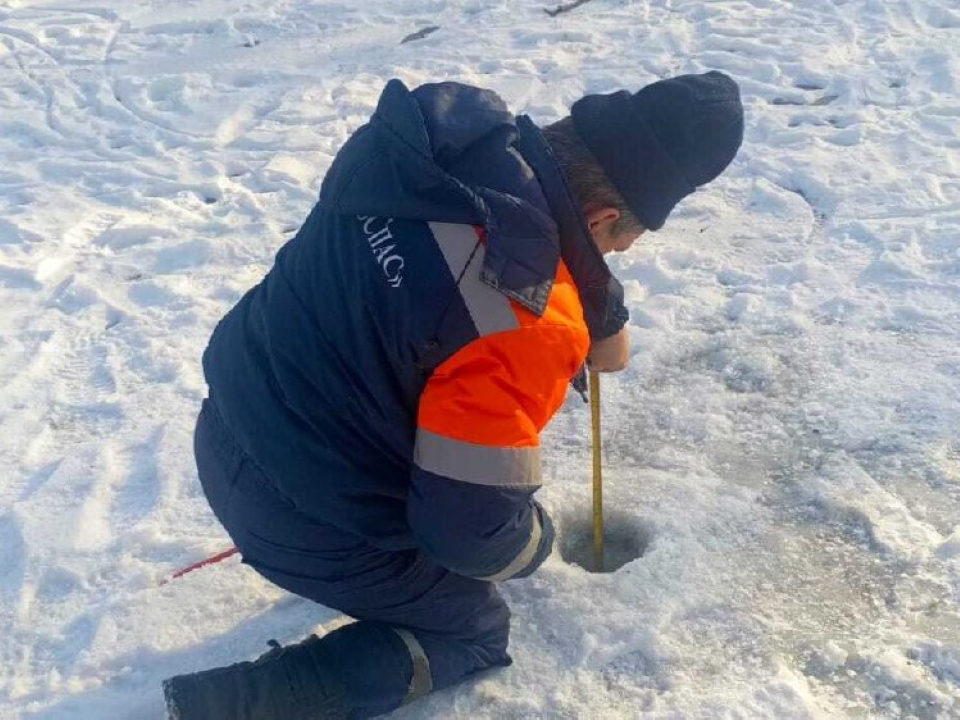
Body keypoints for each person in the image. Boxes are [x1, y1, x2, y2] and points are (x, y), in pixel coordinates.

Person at [163, 71, 744, 719]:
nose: (617, 253)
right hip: (301, 519)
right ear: (604, 216)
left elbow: (476, 256)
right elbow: (470, 538)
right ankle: (236, 703)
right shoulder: (525, 322)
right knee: (474, 631)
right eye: (618, 242)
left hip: (231, 423)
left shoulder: (431, 151)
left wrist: (594, 290)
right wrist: (536, 542)